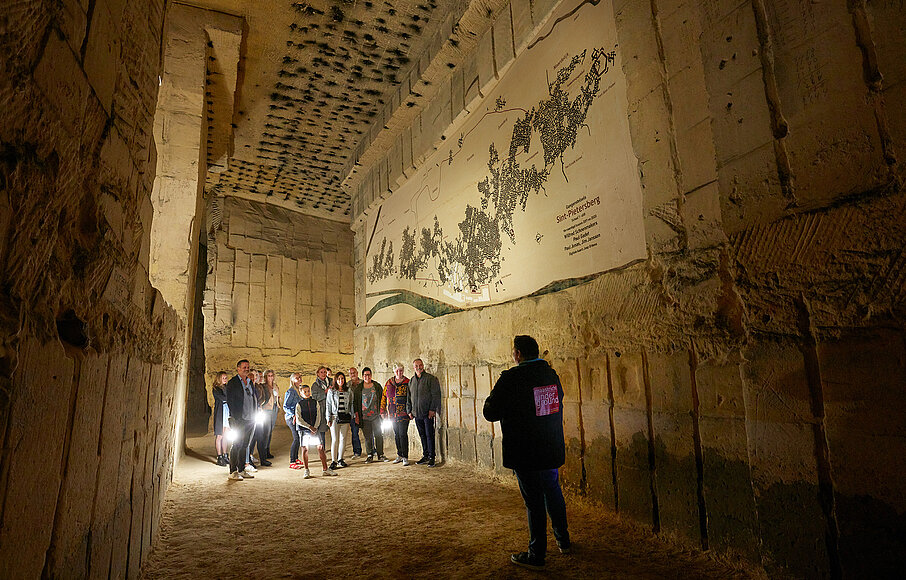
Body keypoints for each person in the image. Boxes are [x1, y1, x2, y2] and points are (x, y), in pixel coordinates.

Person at [483, 335, 570, 569]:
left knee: (534, 501)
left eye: (514, 351)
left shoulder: (511, 378)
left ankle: (536, 554)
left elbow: (490, 412)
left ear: (518, 354)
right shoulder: (551, 375)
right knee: (553, 491)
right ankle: (563, 540)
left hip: (526, 450)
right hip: (550, 447)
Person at [225, 359, 257, 480]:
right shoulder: (233, 383)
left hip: (250, 419)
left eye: (247, 367)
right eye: (244, 367)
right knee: (237, 444)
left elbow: (253, 398)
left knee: (245, 444)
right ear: (238, 369)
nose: (246, 369)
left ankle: (242, 469)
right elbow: (230, 400)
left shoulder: (250, 382)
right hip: (238, 419)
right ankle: (233, 471)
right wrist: (235, 416)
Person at [296, 383, 336, 478]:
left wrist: (315, 427)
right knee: (305, 449)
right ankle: (306, 470)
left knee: (320, 448)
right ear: (300, 393)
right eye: (304, 391)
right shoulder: (299, 404)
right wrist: (309, 427)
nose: (307, 393)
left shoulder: (315, 402)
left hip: (315, 429)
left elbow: (318, 415)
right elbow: (299, 419)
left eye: (308, 391)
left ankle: (325, 469)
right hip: (304, 430)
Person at [409, 358, 442, 467]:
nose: (419, 367)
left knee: (429, 435)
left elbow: (436, 395)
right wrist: (409, 410)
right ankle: (426, 455)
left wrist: (432, 409)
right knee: (422, 435)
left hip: (427, 413)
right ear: (413, 368)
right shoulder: (412, 381)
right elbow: (408, 397)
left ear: (423, 365)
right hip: (416, 413)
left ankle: (432, 456)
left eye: (420, 365)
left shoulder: (430, 379)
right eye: (416, 366)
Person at [382, 363, 412, 465]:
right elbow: (384, 397)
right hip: (392, 414)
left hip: (404, 414)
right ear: (394, 372)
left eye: (401, 370)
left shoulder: (408, 382)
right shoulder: (389, 383)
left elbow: (411, 398)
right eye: (397, 371)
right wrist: (383, 410)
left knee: (403, 434)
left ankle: (405, 456)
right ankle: (399, 455)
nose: (399, 373)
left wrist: (410, 411)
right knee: (397, 434)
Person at [356, 367, 388, 462]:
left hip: (376, 415)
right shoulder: (359, 388)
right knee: (368, 436)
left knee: (378, 435)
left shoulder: (376, 386)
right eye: (365, 375)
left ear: (371, 375)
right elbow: (355, 402)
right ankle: (370, 455)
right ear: (362, 376)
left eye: (369, 374)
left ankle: (380, 454)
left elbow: (383, 398)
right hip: (364, 417)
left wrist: (383, 411)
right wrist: (357, 416)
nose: (367, 377)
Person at [310, 366, 337, 476]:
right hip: (321, 410)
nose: (323, 373)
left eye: (325, 372)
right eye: (321, 372)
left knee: (334, 431)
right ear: (317, 374)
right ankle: (323, 452)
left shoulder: (331, 381)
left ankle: (336, 455)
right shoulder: (315, 385)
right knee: (321, 432)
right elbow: (315, 396)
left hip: (332, 409)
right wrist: (325, 392)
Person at [326, 371, 353, 470]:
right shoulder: (331, 391)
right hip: (334, 417)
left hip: (345, 417)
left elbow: (351, 404)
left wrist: (352, 415)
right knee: (335, 439)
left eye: (342, 379)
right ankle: (334, 460)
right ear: (335, 380)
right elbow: (328, 405)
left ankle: (341, 459)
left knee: (343, 438)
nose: (340, 381)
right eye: (338, 379)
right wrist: (328, 418)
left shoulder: (348, 391)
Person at [283, 373, 304, 469]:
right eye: (297, 378)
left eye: (300, 377)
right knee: (296, 438)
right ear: (292, 380)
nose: (299, 379)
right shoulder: (291, 391)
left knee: (299, 438)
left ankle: (295, 458)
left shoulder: (299, 390)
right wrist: (293, 414)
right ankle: (292, 461)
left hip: (297, 417)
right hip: (291, 418)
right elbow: (285, 406)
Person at [212, 371, 230, 466]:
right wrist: (230, 398)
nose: (225, 379)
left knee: (226, 435)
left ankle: (225, 455)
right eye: (223, 378)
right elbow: (223, 398)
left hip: (227, 411)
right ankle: (219, 456)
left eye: (226, 378)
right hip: (220, 412)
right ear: (219, 379)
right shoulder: (216, 389)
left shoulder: (227, 388)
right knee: (220, 435)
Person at [347, 367, 363, 458]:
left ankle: (373, 450)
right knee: (354, 432)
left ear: (357, 373)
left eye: (354, 373)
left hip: (363, 410)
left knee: (368, 432)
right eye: (351, 373)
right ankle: (357, 451)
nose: (353, 374)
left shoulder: (362, 383)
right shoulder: (347, 385)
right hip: (353, 412)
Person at [263, 369, 279, 460]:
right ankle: (264, 450)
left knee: (270, 431)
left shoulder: (275, 386)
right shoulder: (264, 386)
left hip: (274, 408)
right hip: (267, 409)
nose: (270, 377)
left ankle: (267, 449)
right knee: (266, 431)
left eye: (271, 375)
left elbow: (276, 396)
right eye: (268, 376)